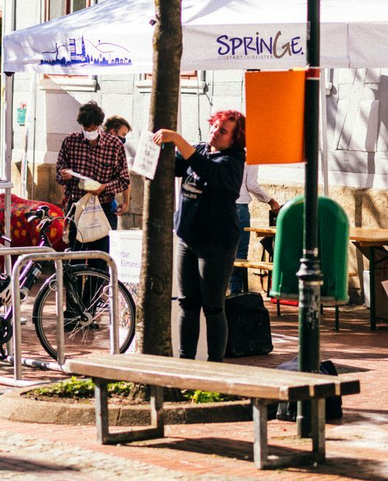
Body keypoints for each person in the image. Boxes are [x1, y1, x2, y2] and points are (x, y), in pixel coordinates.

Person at [153, 110, 246, 362]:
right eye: (214, 126)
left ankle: (215, 365)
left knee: (213, 307)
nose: (215, 132)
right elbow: (176, 166)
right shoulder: (202, 149)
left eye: (223, 130)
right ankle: (186, 361)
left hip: (216, 243)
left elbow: (207, 171)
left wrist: (178, 139)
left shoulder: (233, 161)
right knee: (187, 304)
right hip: (187, 237)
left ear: (235, 139)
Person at [56, 101, 130, 255]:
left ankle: (97, 279)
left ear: (99, 125)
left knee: (100, 257)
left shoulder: (115, 145)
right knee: (74, 255)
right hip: (77, 206)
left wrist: (104, 188)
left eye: (92, 128)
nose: (89, 131)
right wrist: (65, 175)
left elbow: (124, 179)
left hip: (103, 207)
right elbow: (59, 173)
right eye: (85, 128)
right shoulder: (70, 142)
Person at [229, 165, 280, 294]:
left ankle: (216, 293)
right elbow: (251, 185)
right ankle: (236, 293)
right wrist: (270, 201)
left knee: (221, 250)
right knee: (240, 253)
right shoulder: (251, 154)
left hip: (220, 204)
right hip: (239, 206)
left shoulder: (221, 149)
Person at [103, 115, 133, 218]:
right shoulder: (116, 150)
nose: (124, 139)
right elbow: (125, 177)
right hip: (106, 203)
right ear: (113, 132)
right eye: (123, 134)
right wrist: (125, 202)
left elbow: (124, 176)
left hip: (109, 201)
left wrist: (125, 201)